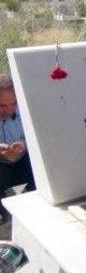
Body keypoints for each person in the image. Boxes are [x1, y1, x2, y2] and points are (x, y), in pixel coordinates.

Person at [0, 76, 35, 223]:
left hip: (24, 162)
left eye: (13, 103)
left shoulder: (26, 109)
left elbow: (37, 135)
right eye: (2, 106)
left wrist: (23, 144)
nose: (9, 110)